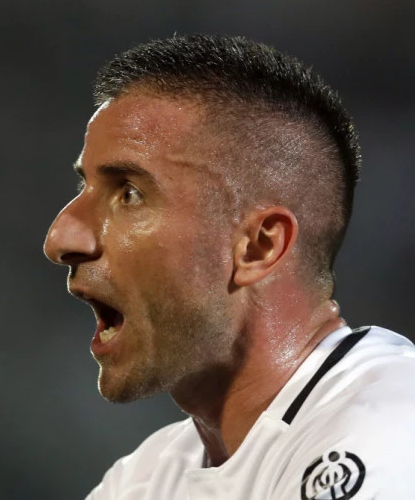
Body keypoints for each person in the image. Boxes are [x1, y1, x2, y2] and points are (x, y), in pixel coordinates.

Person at [43, 34, 415, 499]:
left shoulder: (390, 430)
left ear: (258, 247)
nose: (61, 238)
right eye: (84, 189)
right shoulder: (142, 481)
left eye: (129, 193)